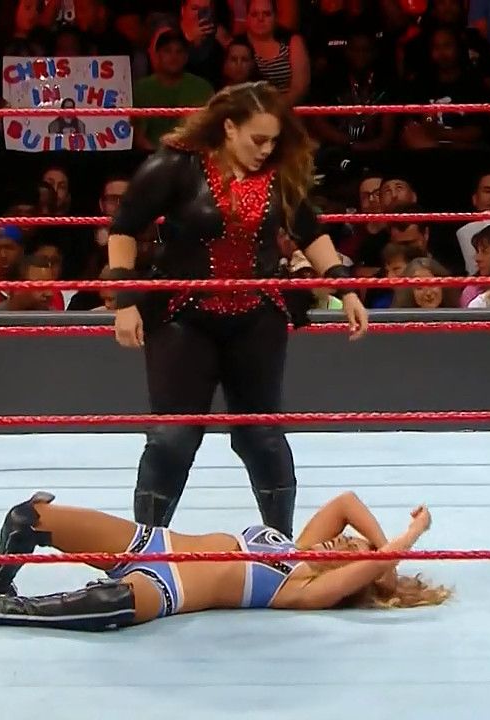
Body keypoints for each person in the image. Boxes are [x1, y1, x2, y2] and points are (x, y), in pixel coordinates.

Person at [105, 81, 369, 537]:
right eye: (257, 139)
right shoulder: (176, 166)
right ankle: (145, 547)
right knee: (173, 438)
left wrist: (346, 289)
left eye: (273, 141)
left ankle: (279, 545)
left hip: (257, 314)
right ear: (229, 128)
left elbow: (309, 232)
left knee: (262, 436)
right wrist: (125, 301)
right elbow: (125, 227)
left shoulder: (278, 174)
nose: (266, 150)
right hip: (184, 313)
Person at [0, 490, 448, 630]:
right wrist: (383, 552)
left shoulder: (307, 591)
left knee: (113, 600)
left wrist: (408, 538)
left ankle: (3, 610)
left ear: (354, 577)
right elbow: (346, 502)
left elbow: (370, 563)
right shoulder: (293, 545)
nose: (343, 542)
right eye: (349, 541)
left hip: (168, 592)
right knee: (28, 517)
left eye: (352, 552)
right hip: (148, 543)